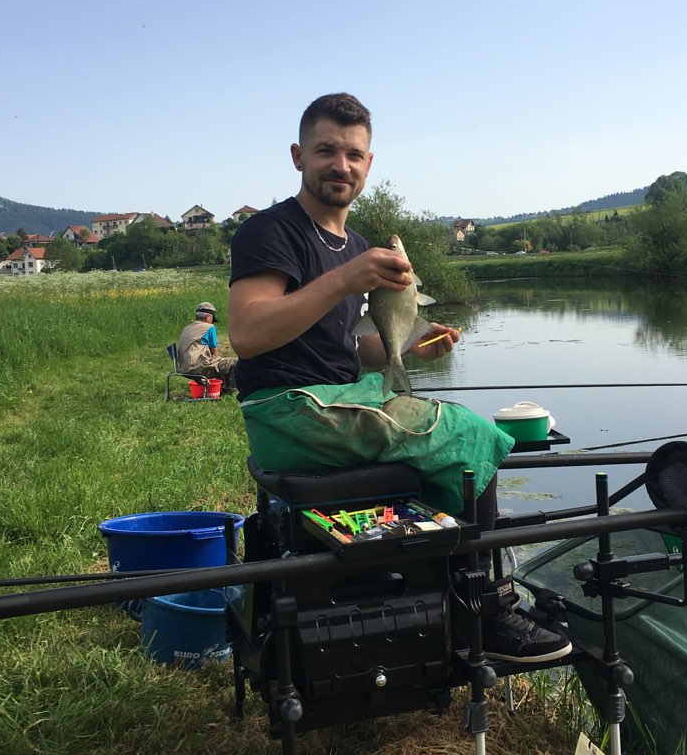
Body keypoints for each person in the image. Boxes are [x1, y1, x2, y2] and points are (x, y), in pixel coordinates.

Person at [227, 93, 571, 664]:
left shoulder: (359, 247)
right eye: (326, 151)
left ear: (369, 164)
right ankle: (484, 607)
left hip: (334, 400)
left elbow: (348, 348)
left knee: (441, 432)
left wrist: (411, 343)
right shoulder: (270, 231)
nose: (341, 165)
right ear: (298, 156)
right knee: (471, 434)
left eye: (353, 154)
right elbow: (247, 333)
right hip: (288, 410)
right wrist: (345, 279)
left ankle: (438, 594)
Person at [177, 302, 238, 393]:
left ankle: (221, 389)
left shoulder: (187, 328)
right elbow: (214, 351)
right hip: (198, 369)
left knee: (221, 364)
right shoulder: (209, 327)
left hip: (184, 369)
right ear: (208, 317)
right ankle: (230, 391)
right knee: (235, 363)